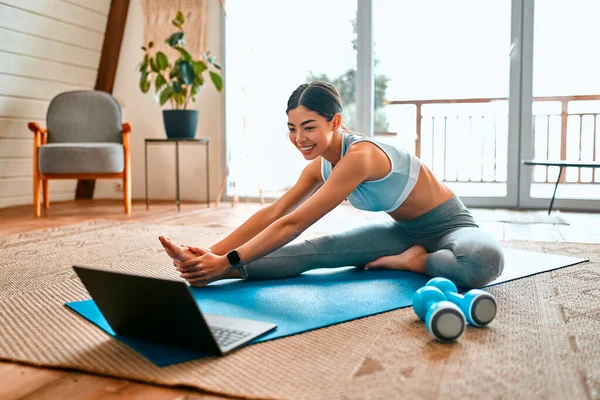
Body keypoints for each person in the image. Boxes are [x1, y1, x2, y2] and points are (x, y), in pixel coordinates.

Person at [159, 81, 504, 289]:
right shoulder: (318, 166)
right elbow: (275, 212)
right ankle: (213, 272)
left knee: (482, 262)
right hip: (401, 232)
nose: (299, 138)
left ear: (335, 121)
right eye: (292, 128)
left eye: (309, 127)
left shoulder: (360, 156)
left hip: (451, 226)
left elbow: (294, 222)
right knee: (308, 253)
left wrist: (227, 259)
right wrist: (211, 255)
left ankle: (414, 262)